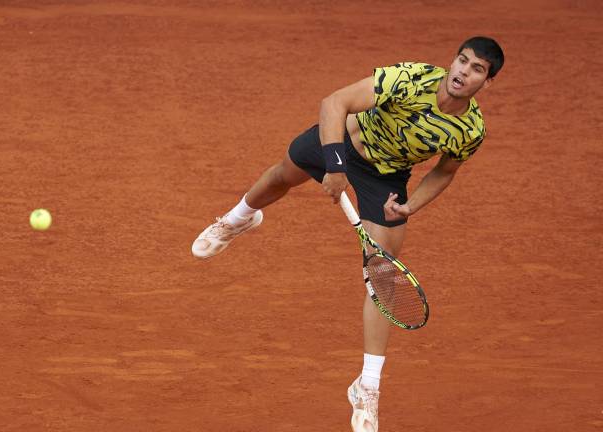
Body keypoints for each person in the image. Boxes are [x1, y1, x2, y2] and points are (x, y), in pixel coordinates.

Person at [191, 36, 505, 431]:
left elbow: (445, 171)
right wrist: (335, 165)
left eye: (476, 69)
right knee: (279, 178)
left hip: (386, 177)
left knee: (384, 278)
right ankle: (239, 218)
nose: (463, 71)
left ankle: (367, 386)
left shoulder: (470, 130)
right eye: (462, 60)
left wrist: (410, 207)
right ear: (453, 60)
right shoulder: (410, 78)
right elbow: (333, 103)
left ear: (487, 82)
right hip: (341, 141)